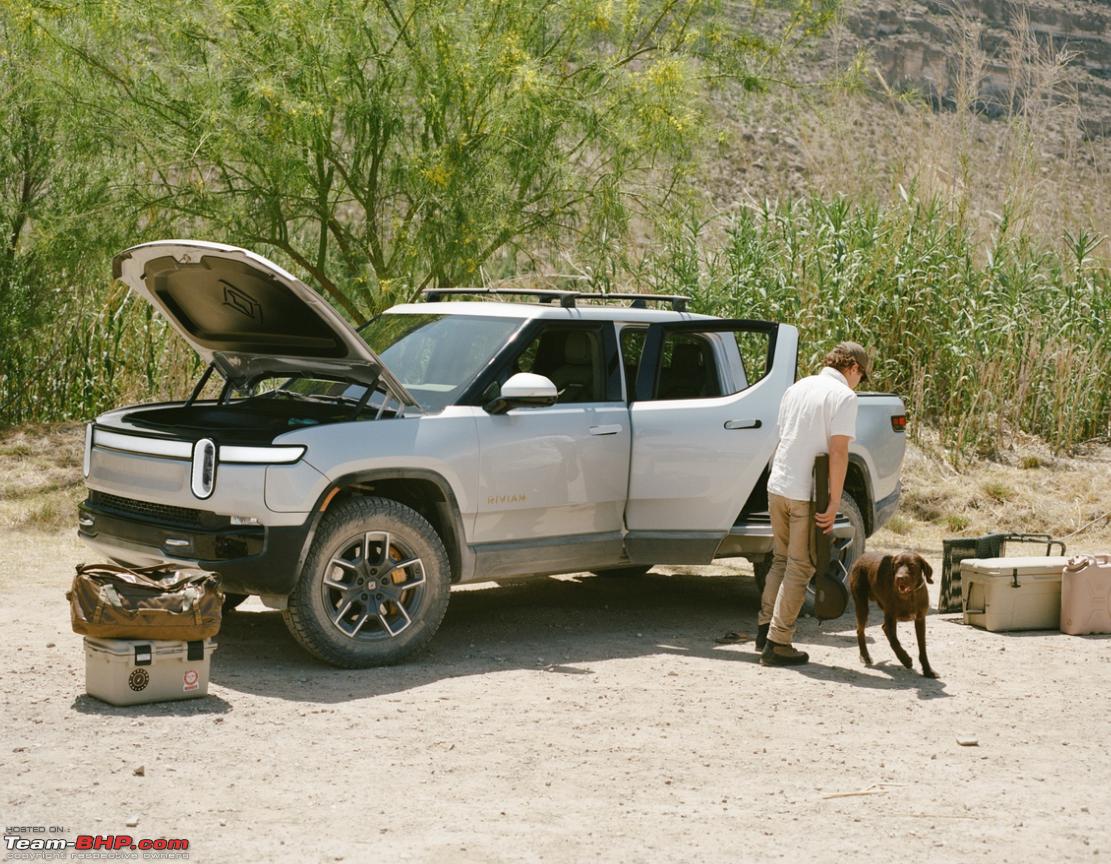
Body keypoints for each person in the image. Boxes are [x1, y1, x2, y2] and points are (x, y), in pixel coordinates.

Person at [757, 341, 871, 667]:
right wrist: (835, 501)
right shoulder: (844, 397)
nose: (858, 384)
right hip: (804, 493)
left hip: (777, 485)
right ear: (853, 368)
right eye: (861, 377)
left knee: (780, 560)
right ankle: (778, 643)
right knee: (801, 566)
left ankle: (764, 629)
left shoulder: (797, 387)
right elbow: (838, 452)